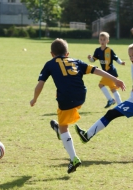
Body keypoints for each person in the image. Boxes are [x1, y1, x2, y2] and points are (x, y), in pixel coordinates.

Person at [30, 38, 125, 174]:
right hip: (81, 96)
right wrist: (115, 79)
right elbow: (96, 70)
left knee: (64, 127)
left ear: (52, 54)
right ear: (67, 53)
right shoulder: (76, 61)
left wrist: (34, 99)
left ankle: (73, 158)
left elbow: (40, 84)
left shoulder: (50, 64)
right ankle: (59, 129)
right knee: (63, 118)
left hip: (66, 98)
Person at [87, 32, 125, 108]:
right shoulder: (97, 50)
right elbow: (93, 60)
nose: (102, 41)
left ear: (108, 41)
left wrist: (121, 62)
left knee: (101, 85)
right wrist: (90, 58)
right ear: (99, 41)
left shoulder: (109, 50)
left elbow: (116, 58)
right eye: (101, 39)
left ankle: (112, 100)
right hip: (106, 72)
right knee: (113, 88)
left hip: (110, 72)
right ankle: (120, 105)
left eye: (104, 39)